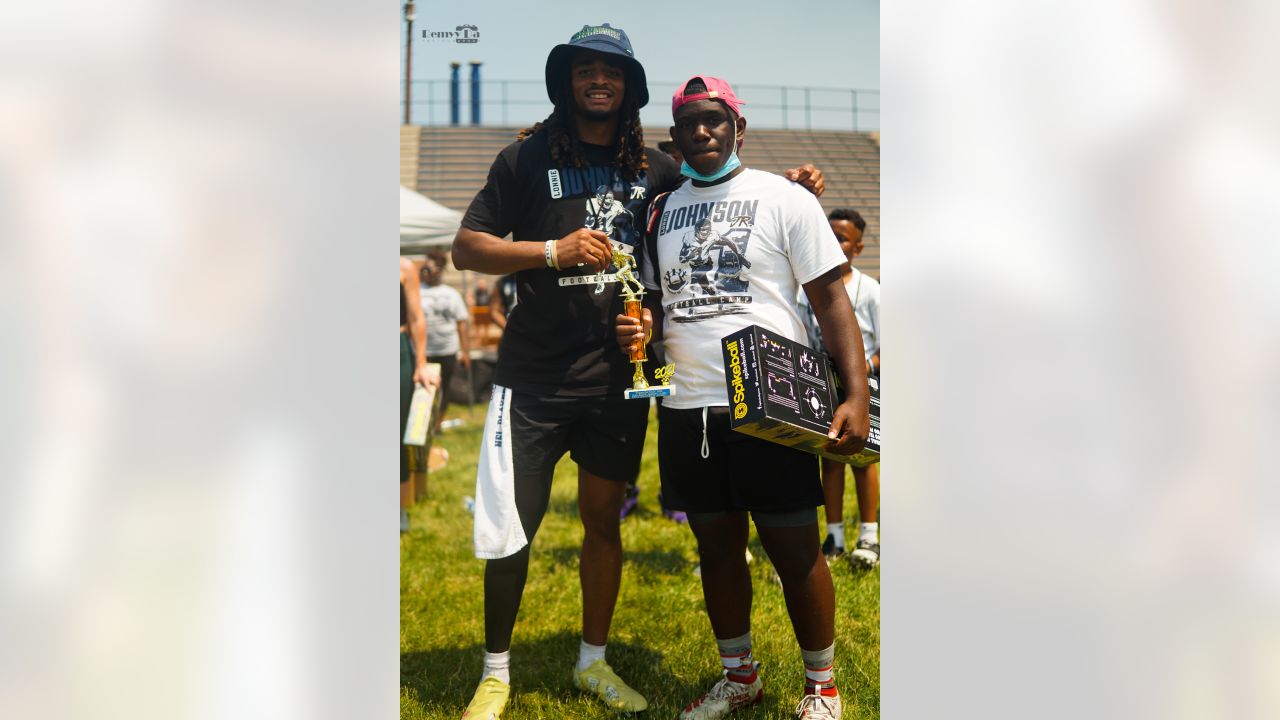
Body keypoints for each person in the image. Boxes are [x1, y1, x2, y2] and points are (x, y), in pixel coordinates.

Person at [450, 23, 827, 719]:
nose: (599, 80)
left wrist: (796, 181)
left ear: (630, 87)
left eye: (613, 71)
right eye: (585, 69)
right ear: (565, 81)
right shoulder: (525, 158)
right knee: (512, 528)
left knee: (603, 522)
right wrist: (552, 252)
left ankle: (593, 661)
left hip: (618, 383)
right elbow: (467, 247)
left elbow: (721, 191)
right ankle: (496, 672)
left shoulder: (656, 169)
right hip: (531, 377)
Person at [618, 76, 869, 720]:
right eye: (690, 124)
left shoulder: (783, 198)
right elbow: (653, 301)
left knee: (794, 546)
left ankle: (823, 690)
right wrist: (639, 332)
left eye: (715, 121)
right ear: (673, 137)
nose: (702, 132)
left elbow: (831, 299)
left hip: (769, 400)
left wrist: (856, 394)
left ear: (737, 129)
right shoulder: (660, 209)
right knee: (716, 548)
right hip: (686, 407)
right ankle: (740, 678)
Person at [800, 210, 881, 568]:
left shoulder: (870, 290)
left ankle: (869, 535)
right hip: (823, 387)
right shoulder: (808, 289)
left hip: (863, 388)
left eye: (843, 239)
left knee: (862, 460)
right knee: (829, 460)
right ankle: (833, 536)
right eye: (829, 236)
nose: (835, 244)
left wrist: (865, 367)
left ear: (858, 247)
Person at [400, 257, 439, 534]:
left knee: (397, 430)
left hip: (397, 351)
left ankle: (398, 507)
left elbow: (416, 317)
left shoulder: (403, 267)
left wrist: (421, 362)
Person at [420, 251, 472, 431]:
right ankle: (423, 425)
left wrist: (465, 352)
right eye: (424, 267)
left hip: (447, 349)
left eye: (429, 267)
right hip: (423, 351)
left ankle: (437, 425)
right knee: (423, 390)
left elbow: (462, 324)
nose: (425, 271)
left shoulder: (451, 294)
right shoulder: (417, 291)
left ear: (440, 270)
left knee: (445, 388)